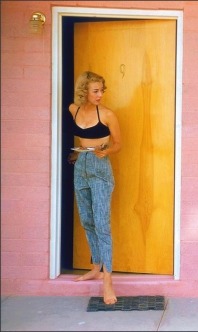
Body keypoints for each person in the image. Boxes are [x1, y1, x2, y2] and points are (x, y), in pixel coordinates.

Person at [68, 71, 121, 304]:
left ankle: (107, 281)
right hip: (81, 166)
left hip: (100, 168)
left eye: (102, 90)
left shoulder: (108, 114)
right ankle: (96, 267)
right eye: (95, 91)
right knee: (86, 220)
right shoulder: (74, 110)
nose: (100, 95)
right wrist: (75, 154)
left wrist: (106, 150)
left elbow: (118, 143)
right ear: (84, 92)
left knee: (102, 223)